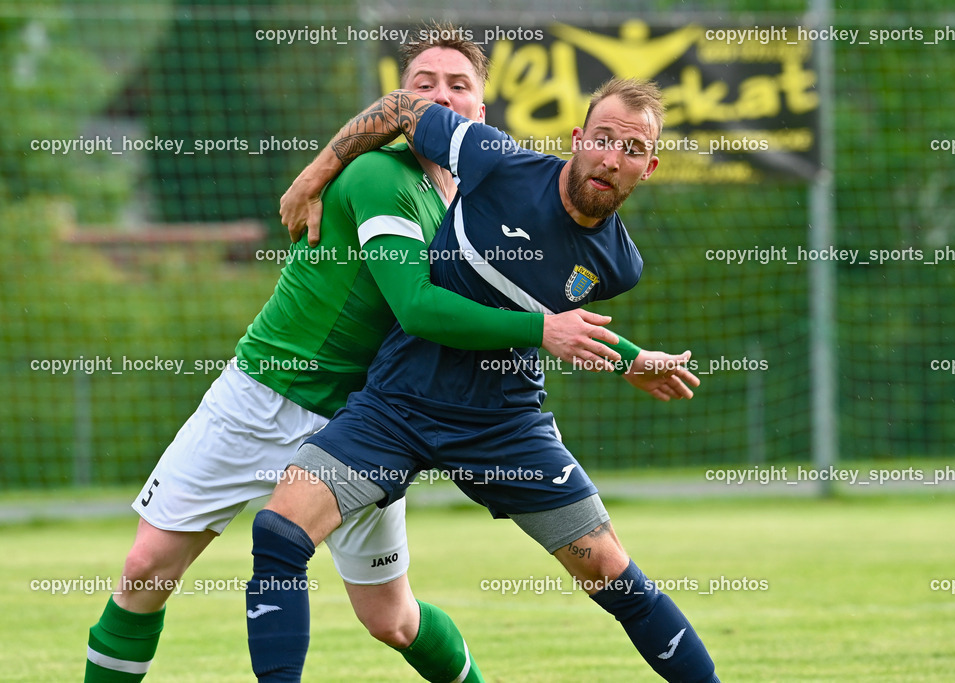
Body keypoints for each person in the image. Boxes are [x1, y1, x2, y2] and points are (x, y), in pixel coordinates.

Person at [84, 30, 632, 683]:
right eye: (423, 83)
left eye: (459, 85)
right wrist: (313, 172)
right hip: (264, 395)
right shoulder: (380, 174)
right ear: (401, 103)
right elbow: (419, 308)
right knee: (147, 570)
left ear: (481, 114)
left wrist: (633, 357)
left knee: (392, 619)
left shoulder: (483, 206)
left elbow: (544, 304)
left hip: (363, 423)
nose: (441, 95)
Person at [252, 77, 717, 682]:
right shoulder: (496, 161)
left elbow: (552, 318)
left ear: (647, 167)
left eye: (630, 150)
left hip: (504, 424)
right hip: (401, 400)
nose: (611, 157)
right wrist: (311, 178)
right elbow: (398, 107)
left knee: (611, 573)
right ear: (578, 139)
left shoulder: (620, 265)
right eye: (602, 138)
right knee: (281, 530)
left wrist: (629, 358)